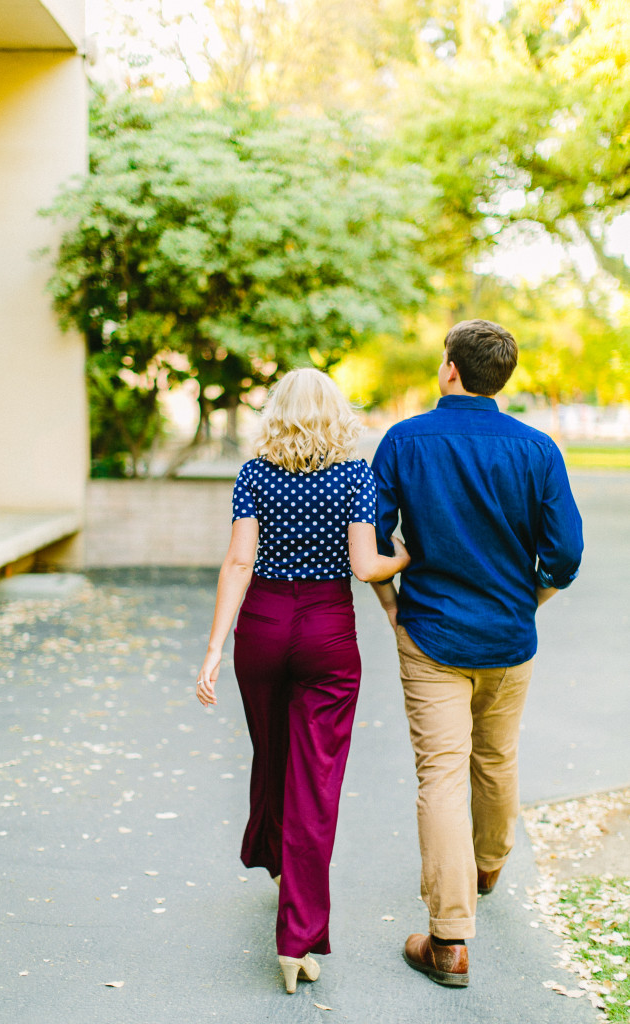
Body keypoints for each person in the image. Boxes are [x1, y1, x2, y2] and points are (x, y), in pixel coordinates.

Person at [370, 319, 583, 988]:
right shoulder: (537, 448)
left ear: (451, 370)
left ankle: (449, 939)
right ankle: (488, 865)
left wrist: (392, 606)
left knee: (440, 774)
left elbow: (373, 545)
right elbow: (567, 554)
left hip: (430, 635)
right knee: (495, 758)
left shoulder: (405, 441)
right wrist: (532, 599)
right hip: (509, 637)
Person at [196, 367, 410, 994]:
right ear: (336, 414)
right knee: (314, 779)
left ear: (276, 413)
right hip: (325, 632)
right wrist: (407, 558)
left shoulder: (255, 475)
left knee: (274, 754)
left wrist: (213, 650)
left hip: (261, 627)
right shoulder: (353, 476)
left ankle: (277, 861)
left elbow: (239, 560)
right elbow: (367, 565)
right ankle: (297, 937)